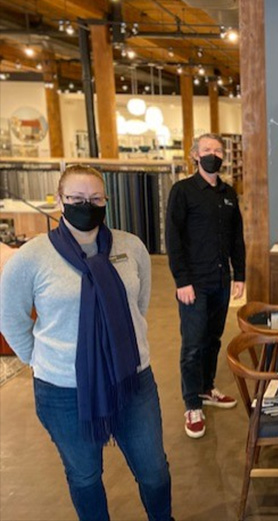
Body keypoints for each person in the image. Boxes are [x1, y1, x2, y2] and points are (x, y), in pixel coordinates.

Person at [0, 165, 172, 521]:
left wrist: (125, 346)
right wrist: (44, 360)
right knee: (85, 475)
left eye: (95, 198)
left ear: (106, 200)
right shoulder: (32, 257)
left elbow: (139, 304)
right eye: (77, 199)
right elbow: (10, 317)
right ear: (60, 201)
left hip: (132, 380)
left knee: (154, 471)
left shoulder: (131, 247)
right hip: (64, 390)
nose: (87, 205)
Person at [166, 133, 246, 439]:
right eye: (207, 150)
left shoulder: (228, 193)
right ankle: (191, 403)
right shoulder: (183, 191)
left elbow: (236, 237)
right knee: (193, 343)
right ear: (195, 155)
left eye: (218, 150)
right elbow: (173, 239)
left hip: (221, 280)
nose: (214, 154)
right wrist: (181, 280)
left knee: (213, 338)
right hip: (194, 283)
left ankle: (207, 388)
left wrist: (239, 274)